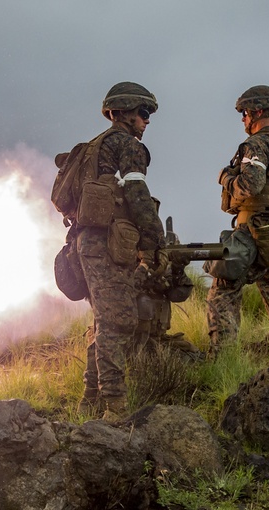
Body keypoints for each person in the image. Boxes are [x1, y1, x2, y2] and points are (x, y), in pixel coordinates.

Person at [76, 82, 166, 419]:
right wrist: (155, 239)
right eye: (143, 113)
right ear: (124, 112)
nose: (147, 120)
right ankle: (114, 409)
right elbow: (137, 195)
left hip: (85, 244)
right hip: (109, 244)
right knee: (118, 322)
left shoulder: (91, 148)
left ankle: (89, 402)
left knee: (103, 321)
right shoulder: (127, 146)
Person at [206, 85, 269, 356]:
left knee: (222, 293)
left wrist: (226, 178)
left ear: (257, 111)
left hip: (251, 234)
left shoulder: (257, 144)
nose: (243, 119)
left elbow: (251, 184)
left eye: (244, 113)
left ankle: (222, 361)